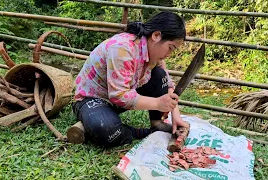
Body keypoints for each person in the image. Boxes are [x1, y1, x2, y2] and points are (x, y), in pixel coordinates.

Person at [67, 11, 189, 147]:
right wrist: (157, 103)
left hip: (118, 99)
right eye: (170, 48)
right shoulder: (122, 49)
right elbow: (119, 95)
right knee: (105, 129)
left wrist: (175, 114)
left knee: (159, 75)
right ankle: (138, 132)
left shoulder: (152, 52)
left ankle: (157, 122)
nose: (169, 54)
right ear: (156, 35)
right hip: (92, 99)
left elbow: (168, 84)